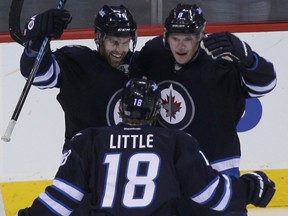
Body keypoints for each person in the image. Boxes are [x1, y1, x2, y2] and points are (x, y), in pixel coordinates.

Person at [17, 78, 275, 216]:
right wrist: (251, 188)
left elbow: (62, 199)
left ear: (120, 108)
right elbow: (210, 195)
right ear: (155, 110)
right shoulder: (176, 141)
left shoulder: (88, 140)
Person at [129, 3, 277, 216]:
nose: (181, 46)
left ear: (200, 36)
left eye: (188, 39)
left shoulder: (221, 59)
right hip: (168, 170)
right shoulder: (154, 54)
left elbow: (265, 85)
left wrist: (249, 59)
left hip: (218, 166)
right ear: (166, 36)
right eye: (175, 39)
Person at [20, 4, 138, 143]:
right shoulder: (78, 64)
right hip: (83, 161)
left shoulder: (140, 66)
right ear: (99, 37)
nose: (120, 50)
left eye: (125, 42)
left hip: (125, 161)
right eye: (114, 42)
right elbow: (37, 74)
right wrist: (37, 41)